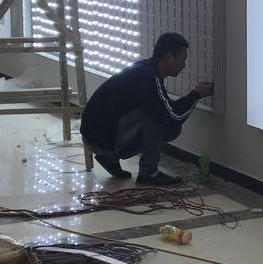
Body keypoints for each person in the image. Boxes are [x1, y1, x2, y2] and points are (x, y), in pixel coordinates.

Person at [80, 32, 214, 186]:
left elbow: (167, 108)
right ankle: (148, 174)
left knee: (161, 116)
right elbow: (172, 116)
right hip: (99, 138)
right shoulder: (149, 78)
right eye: (182, 59)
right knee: (164, 123)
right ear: (169, 57)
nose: (183, 66)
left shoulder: (145, 69)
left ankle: (109, 157)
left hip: (94, 135)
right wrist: (196, 95)